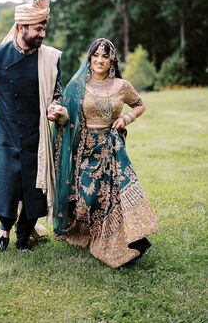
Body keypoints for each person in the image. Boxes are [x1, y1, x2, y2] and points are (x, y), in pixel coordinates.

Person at [0, 0, 68, 252]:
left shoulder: (50, 59)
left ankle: (23, 240)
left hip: (36, 136)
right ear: (21, 28)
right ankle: (4, 227)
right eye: (38, 29)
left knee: (35, 191)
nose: (43, 33)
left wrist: (56, 108)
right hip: (3, 135)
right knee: (5, 188)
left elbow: (57, 93)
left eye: (45, 28)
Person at [53, 38, 158, 268]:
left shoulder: (122, 85)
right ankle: (88, 232)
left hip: (111, 146)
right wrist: (59, 116)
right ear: (89, 58)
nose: (100, 60)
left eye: (105, 56)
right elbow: (68, 116)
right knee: (88, 197)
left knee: (112, 194)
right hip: (85, 148)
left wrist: (126, 118)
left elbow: (140, 105)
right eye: (96, 55)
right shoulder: (77, 86)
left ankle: (120, 242)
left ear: (112, 60)